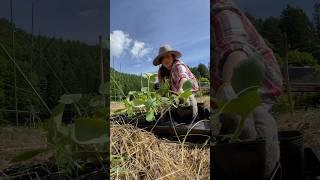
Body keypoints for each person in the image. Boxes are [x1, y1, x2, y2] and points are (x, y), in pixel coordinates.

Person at [212, 0, 283, 177]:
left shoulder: (221, 11)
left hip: (255, 83)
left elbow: (235, 48)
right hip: (236, 86)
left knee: (257, 132)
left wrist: (233, 90)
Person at [153, 44, 199, 123]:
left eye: (168, 57)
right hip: (174, 92)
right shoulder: (161, 71)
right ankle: (164, 120)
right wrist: (158, 87)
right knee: (165, 101)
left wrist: (181, 88)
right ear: (161, 61)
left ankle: (193, 119)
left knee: (187, 100)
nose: (165, 60)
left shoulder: (178, 65)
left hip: (187, 88)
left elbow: (183, 77)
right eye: (163, 58)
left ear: (173, 57)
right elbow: (161, 85)